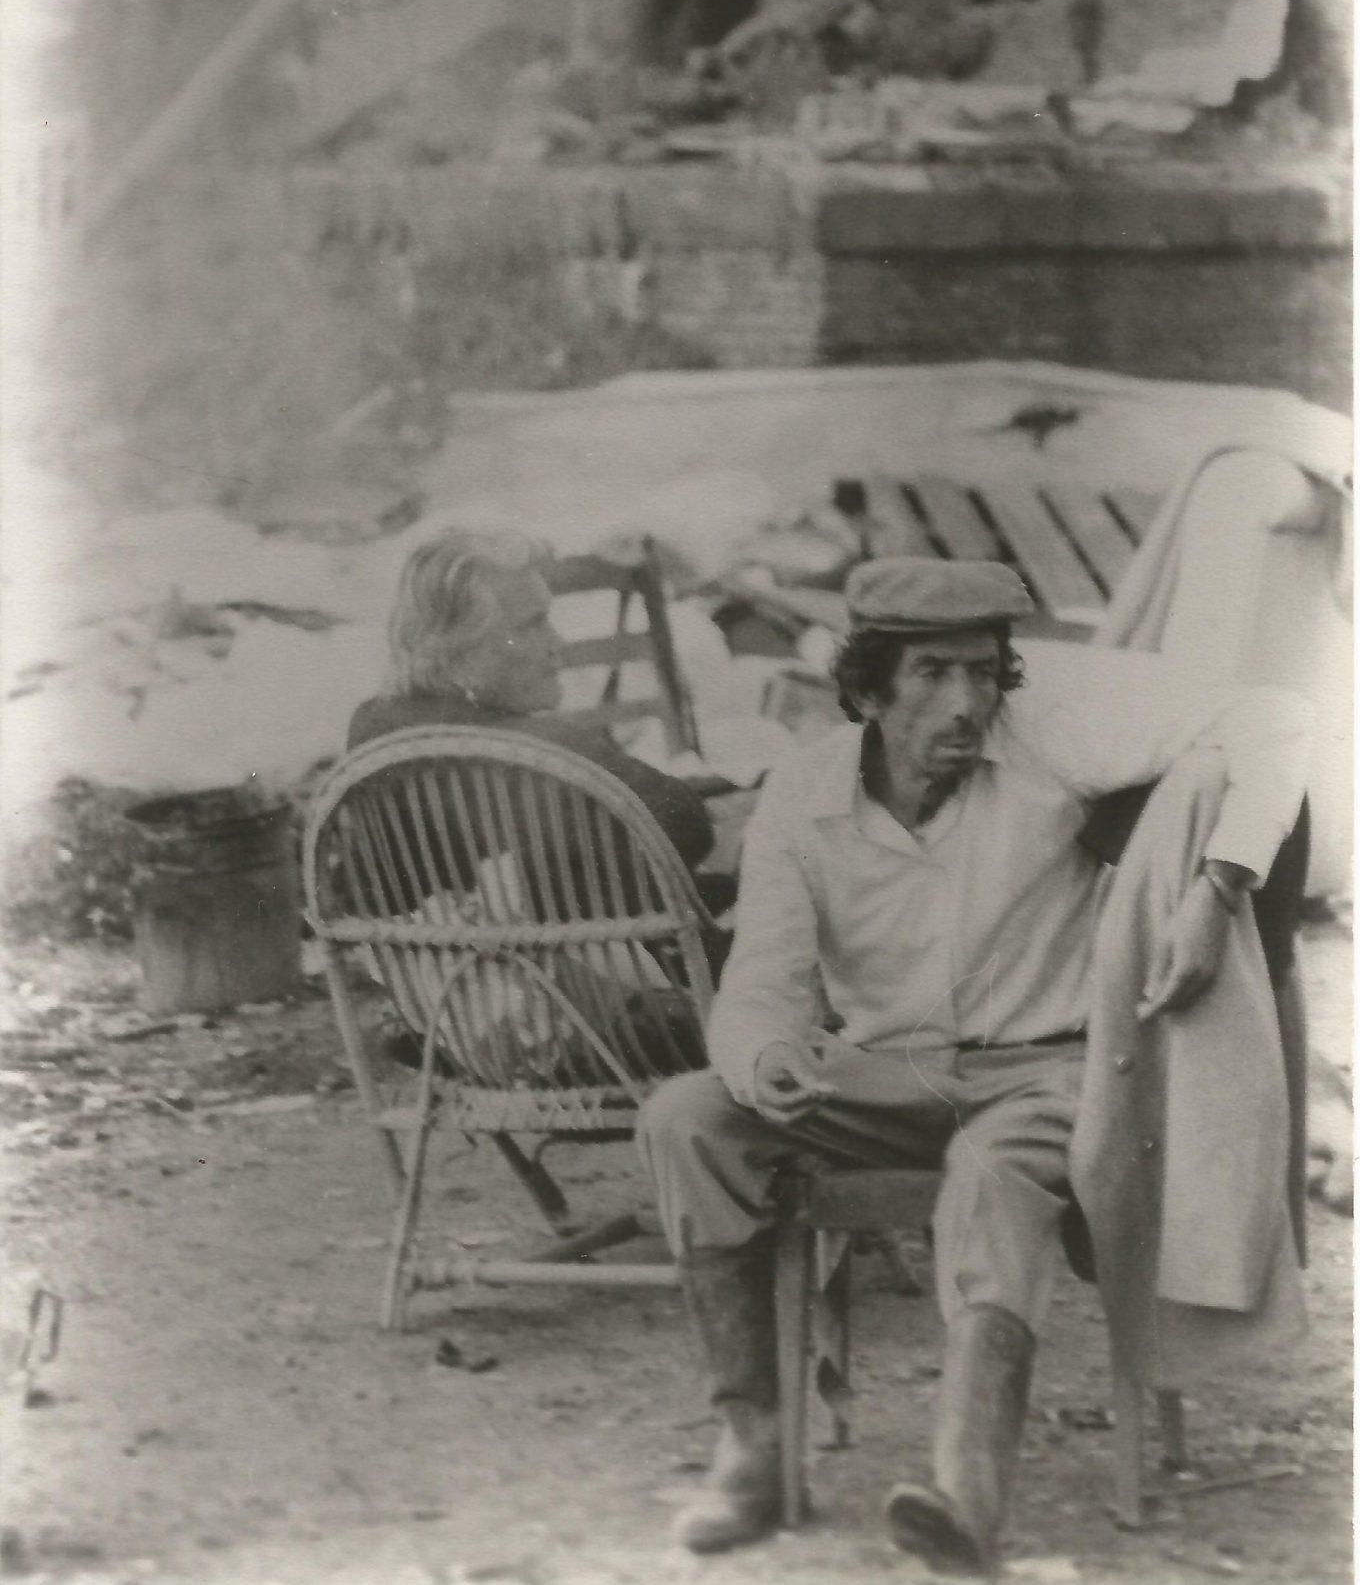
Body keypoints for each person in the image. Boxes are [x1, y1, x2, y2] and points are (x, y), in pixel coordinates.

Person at [638, 556, 1312, 1576]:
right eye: (932, 674)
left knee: (994, 1177)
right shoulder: (802, 794)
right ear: (867, 688)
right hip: (877, 1078)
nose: (967, 703)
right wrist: (766, 1053)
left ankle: (965, 1494)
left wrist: (1218, 890)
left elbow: (1275, 714)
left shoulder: (1049, 741)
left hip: (1044, 1076)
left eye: (984, 671)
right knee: (687, 1117)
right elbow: (765, 975)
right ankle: (753, 1450)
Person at [348, 528, 722, 1073]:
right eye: (531, 624)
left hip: (459, 1028)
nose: (557, 643)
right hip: (599, 1038)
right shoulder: (542, 750)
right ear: (457, 646)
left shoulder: (373, 731)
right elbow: (687, 825)